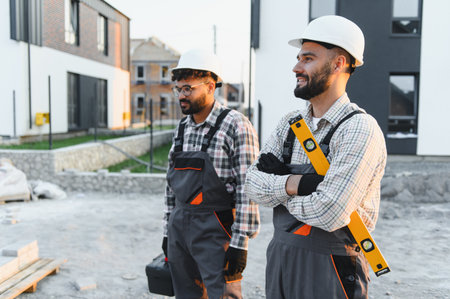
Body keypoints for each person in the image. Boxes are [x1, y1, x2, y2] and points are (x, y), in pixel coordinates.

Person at [245, 15, 387, 299]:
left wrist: (277, 186)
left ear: (339, 63)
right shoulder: (289, 124)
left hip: (331, 266)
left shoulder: (359, 128)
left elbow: (330, 211)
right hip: (280, 259)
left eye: (308, 58)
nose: (296, 67)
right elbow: (250, 184)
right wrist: (296, 183)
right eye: (299, 57)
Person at [162, 49, 260, 299]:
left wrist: (240, 244)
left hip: (217, 228)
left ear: (210, 86)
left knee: (224, 294)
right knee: (186, 294)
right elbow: (170, 187)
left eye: (188, 89)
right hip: (180, 227)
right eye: (178, 89)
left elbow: (247, 187)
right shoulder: (182, 128)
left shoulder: (236, 125)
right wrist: (167, 231)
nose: (182, 96)